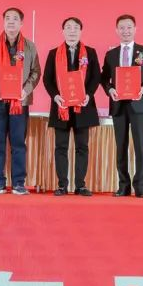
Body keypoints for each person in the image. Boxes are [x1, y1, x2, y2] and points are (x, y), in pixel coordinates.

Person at [0, 7, 41, 195]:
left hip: (19, 102)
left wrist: (25, 90)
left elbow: (36, 71)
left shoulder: (29, 46)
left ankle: (19, 183)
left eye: (15, 19)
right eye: (7, 18)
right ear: (3, 22)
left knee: (18, 143)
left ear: (21, 23)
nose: (11, 22)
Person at [101, 14, 143, 198]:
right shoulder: (111, 54)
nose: (125, 31)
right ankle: (123, 186)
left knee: (140, 147)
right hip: (118, 106)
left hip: (139, 106)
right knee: (121, 147)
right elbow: (104, 78)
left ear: (135, 29)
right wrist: (110, 89)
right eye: (122, 28)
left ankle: (140, 186)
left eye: (129, 27)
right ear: (116, 30)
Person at [43, 17, 101, 196]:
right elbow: (47, 79)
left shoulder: (90, 52)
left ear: (81, 31)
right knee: (61, 147)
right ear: (63, 31)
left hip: (83, 106)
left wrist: (88, 95)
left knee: (82, 147)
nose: (72, 31)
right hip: (61, 107)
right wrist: (56, 96)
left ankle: (80, 185)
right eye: (68, 27)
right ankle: (62, 185)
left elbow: (96, 77)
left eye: (75, 28)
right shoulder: (54, 53)